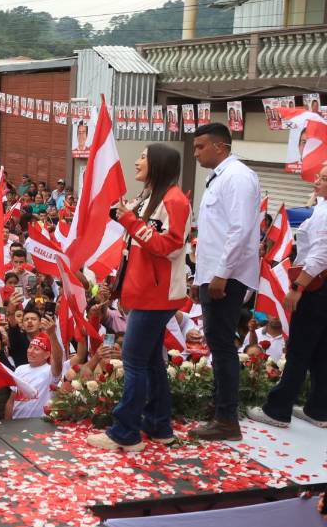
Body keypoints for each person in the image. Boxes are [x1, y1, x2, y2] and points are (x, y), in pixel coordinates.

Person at [87, 144, 190, 450]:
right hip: (145, 293)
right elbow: (135, 248)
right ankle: (159, 426)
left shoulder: (174, 200)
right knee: (152, 364)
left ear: (157, 164)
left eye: (143, 157)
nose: (136, 162)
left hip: (156, 296)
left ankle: (125, 433)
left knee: (133, 363)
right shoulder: (149, 196)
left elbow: (168, 246)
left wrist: (131, 220)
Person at [189, 123, 261, 441]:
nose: (196, 153)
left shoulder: (238, 177)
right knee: (217, 345)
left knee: (223, 346)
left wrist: (220, 274)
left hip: (227, 276)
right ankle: (219, 407)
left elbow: (240, 230)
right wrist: (201, 276)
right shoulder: (218, 176)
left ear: (220, 147)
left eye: (200, 146)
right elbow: (212, 235)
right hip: (214, 273)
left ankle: (227, 419)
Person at [248, 166, 327, 429]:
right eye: (319, 176)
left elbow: (320, 255)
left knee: (300, 349)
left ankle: (278, 409)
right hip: (319, 287)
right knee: (320, 351)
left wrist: (297, 286)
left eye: (324, 178)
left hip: (315, 287)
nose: (317, 181)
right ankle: (318, 408)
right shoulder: (321, 207)